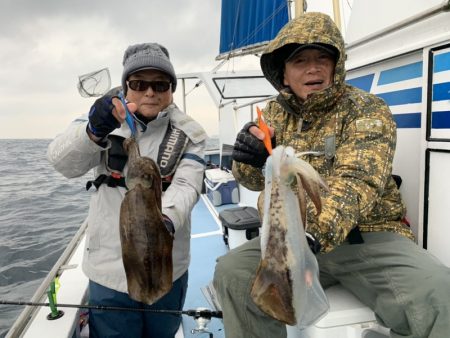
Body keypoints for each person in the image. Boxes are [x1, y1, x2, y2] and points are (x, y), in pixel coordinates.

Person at [213, 12, 450, 338]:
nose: (313, 68)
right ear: (283, 73)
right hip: (287, 239)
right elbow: (253, 181)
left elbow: (357, 179)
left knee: (438, 291)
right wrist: (249, 160)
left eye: (322, 58)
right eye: (300, 60)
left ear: (335, 66)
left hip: (366, 236)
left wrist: (312, 236)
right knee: (232, 272)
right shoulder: (272, 115)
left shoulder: (366, 109)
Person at [47, 43, 207, 338]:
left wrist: (163, 223)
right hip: (110, 270)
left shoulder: (190, 132)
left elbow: (187, 184)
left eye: (160, 84)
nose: (150, 92)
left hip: (167, 265)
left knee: (163, 332)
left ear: (171, 89)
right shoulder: (101, 119)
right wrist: (93, 131)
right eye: (139, 83)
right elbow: (62, 163)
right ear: (126, 87)